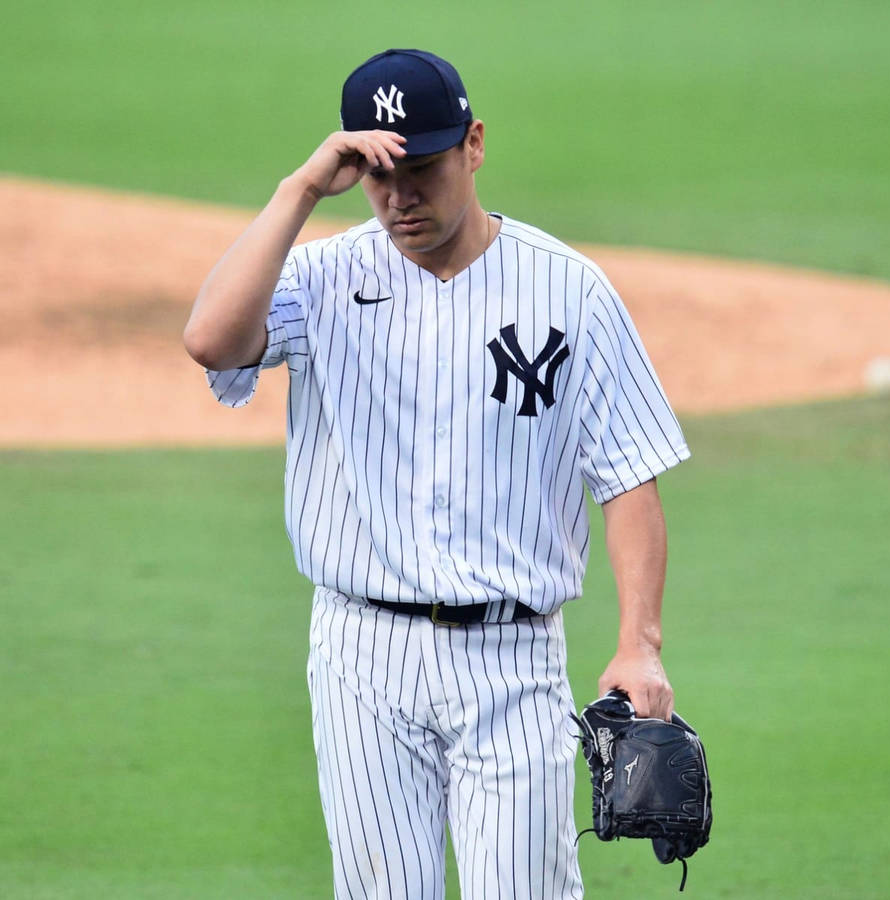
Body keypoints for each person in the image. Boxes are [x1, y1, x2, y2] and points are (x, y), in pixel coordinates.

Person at [184, 48, 690, 900]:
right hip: (360, 655)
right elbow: (212, 342)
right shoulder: (322, 276)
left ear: (475, 146)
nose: (401, 198)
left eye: (422, 169)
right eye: (380, 175)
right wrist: (300, 190)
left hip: (513, 656)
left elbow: (630, 475)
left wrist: (639, 646)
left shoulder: (570, 291)